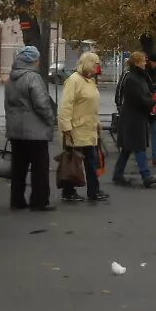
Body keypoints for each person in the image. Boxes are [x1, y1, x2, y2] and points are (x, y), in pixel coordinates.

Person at [4, 45, 56, 212]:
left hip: (16, 130)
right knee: (39, 167)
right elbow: (41, 104)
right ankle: (39, 201)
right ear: (33, 60)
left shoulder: (11, 78)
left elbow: (7, 105)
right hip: (35, 131)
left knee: (18, 167)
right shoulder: (33, 78)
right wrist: (50, 119)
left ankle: (17, 200)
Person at [58, 51, 107, 203]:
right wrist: (66, 127)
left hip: (88, 128)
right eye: (96, 64)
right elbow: (66, 105)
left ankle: (94, 190)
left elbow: (92, 106)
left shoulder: (90, 81)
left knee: (91, 162)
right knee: (73, 162)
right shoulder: (74, 80)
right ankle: (69, 190)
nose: (98, 68)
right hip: (75, 129)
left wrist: (97, 123)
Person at [113, 51, 156, 187]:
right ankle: (146, 176)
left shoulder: (140, 76)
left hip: (135, 116)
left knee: (127, 148)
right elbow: (139, 98)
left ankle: (117, 175)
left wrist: (155, 91)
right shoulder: (132, 78)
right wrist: (153, 102)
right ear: (137, 62)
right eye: (143, 61)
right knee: (138, 147)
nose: (145, 63)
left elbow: (146, 91)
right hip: (133, 118)